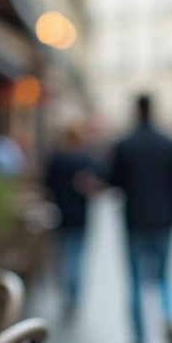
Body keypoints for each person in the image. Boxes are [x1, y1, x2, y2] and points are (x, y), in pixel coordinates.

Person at [107, 95, 172, 343]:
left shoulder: (125, 144)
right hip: (165, 220)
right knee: (164, 277)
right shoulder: (169, 144)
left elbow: (113, 181)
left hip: (135, 221)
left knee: (135, 284)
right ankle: (169, 318)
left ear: (136, 111)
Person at [43, 125, 98, 317]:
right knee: (76, 257)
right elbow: (93, 185)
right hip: (80, 216)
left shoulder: (57, 160)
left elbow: (48, 189)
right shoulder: (84, 160)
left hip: (61, 215)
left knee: (65, 256)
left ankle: (68, 295)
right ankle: (74, 296)